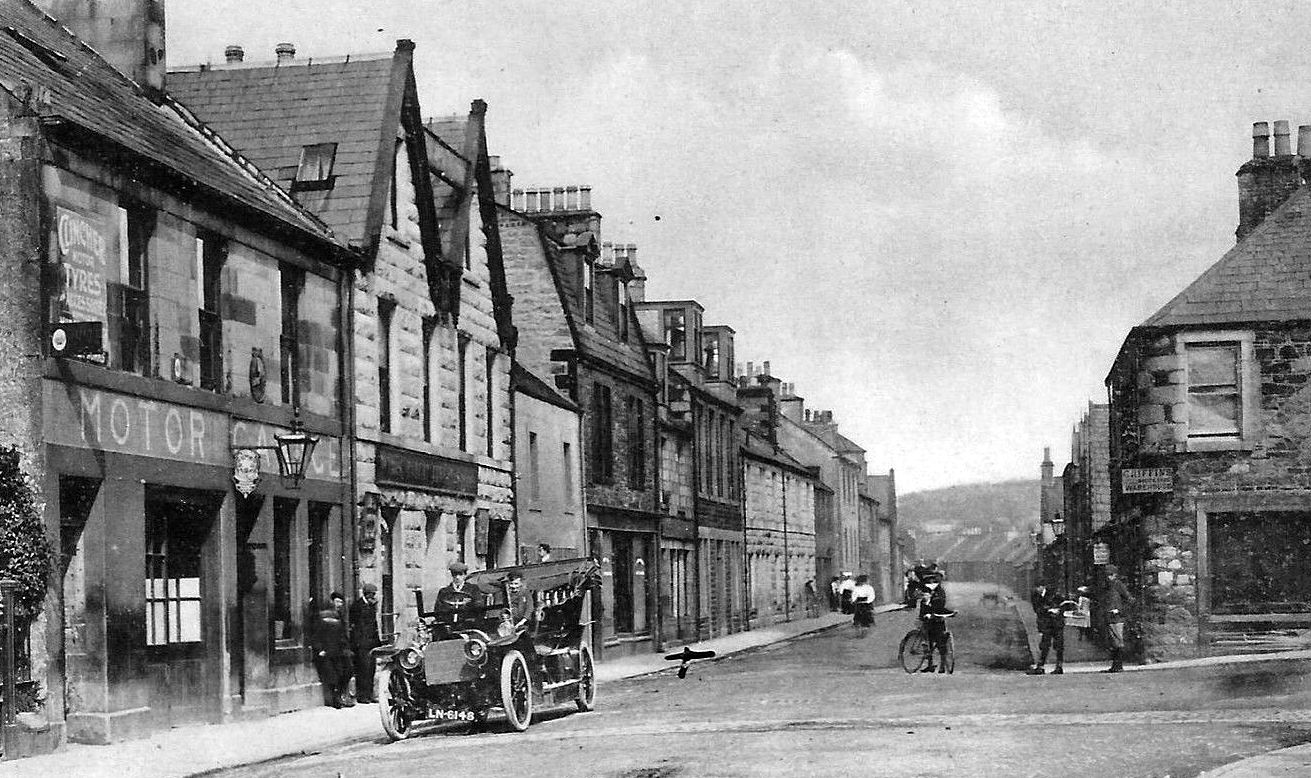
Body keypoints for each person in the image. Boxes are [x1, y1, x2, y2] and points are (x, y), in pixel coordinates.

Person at [311, 593, 353, 707]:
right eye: (337, 602)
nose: (340, 604)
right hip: (326, 651)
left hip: (338, 650)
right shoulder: (322, 616)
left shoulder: (339, 616)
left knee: (345, 671)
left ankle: (341, 696)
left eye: (341, 602)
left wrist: (346, 648)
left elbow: (342, 634)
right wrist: (320, 649)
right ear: (331, 602)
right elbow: (316, 635)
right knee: (333, 675)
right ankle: (335, 699)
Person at [348, 582, 383, 703]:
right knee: (363, 669)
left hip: (371, 644)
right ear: (367, 594)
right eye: (372, 594)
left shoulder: (371, 606)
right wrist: (357, 644)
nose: (374, 597)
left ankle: (369, 694)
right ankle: (362, 696)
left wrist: (378, 643)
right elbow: (355, 627)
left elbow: (374, 626)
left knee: (371, 669)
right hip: (361, 644)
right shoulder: (357, 606)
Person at [1100, 564, 1133, 673]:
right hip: (1109, 617)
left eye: (1110, 575)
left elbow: (1129, 599)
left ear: (1115, 575)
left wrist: (1119, 610)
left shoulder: (1118, 585)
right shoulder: (1106, 587)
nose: (1108, 577)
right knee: (1113, 642)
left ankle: (1119, 665)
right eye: (1107, 575)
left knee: (1118, 641)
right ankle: (1115, 665)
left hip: (1117, 618)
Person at [1027, 582, 1067, 675]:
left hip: (1057, 623)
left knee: (1058, 645)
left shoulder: (1054, 593)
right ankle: (1041, 666)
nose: (1037, 590)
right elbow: (1037, 609)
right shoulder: (1035, 595)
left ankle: (1059, 666)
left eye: (1038, 587)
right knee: (1045, 645)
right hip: (1046, 623)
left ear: (1042, 586)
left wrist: (1057, 610)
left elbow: (1062, 604)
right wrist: (1049, 610)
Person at [917, 572, 953, 673]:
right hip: (928, 618)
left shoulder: (940, 591)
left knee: (940, 641)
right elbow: (923, 604)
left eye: (934, 581)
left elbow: (941, 605)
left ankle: (942, 665)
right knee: (928, 641)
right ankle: (930, 664)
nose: (932, 583)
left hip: (937, 618)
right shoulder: (926, 590)